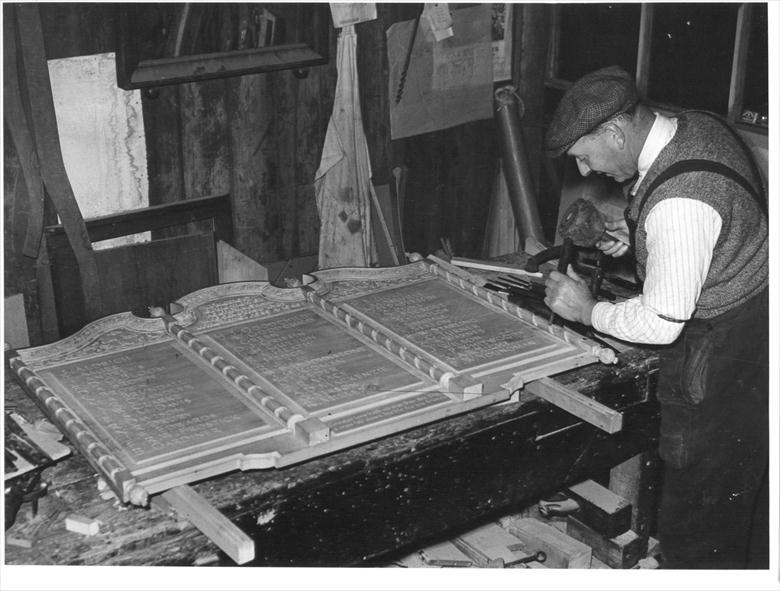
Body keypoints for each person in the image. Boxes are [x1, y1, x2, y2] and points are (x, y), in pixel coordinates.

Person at [542, 65, 768, 569]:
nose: (584, 173)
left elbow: (662, 322)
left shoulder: (680, 203)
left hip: (724, 348)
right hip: (756, 315)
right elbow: (705, 210)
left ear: (616, 131)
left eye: (584, 156)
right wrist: (639, 231)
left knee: (699, 513)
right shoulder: (693, 126)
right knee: (743, 493)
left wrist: (588, 310)